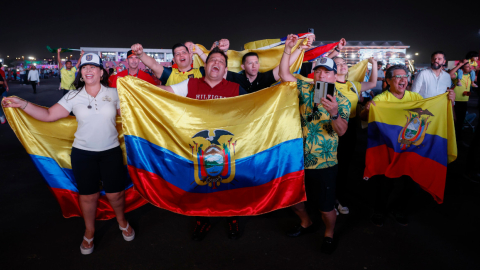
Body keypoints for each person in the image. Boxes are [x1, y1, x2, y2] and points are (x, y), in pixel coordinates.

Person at [2, 53, 135, 255]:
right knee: (88, 196)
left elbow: (134, 115)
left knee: (115, 193)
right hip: (83, 154)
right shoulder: (73, 96)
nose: (88, 70)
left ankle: (122, 221)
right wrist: (24, 104)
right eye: (84, 67)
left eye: (93, 67)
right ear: (80, 73)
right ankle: (89, 231)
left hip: (111, 152)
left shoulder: (115, 93)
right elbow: (48, 115)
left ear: (101, 72)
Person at [156, 47, 247, 240]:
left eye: (221, 62)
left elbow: (255, 108)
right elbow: (166, 92)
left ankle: (232, 216)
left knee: (229, 184)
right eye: (212, 60)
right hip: (196, 148)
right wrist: (139, 88)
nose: (216, 63)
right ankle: (202, 219)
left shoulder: (235, 89)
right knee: (199, 185)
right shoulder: (191, 84)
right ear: (204, 66)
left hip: (226, 149)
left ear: (225, 70)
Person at [279, 34, 351, 254]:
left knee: (326, 206)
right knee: (293, 200)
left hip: (324, 162)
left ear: (333, 74)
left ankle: (328, 233)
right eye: (318, 70)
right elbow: (284, 74)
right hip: (297, 158)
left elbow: (342, 131)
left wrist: (334, 113)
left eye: (326, 71)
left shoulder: (342, 100)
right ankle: (305, 222)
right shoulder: (305, 87)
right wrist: (288, 50)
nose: (321, 74)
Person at [360, 65, 455, 227]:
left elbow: (432, 113)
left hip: (410, 149)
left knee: (410, 183)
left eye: (405, 76)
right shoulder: (381, 99)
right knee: (385, 183)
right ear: (388, 80)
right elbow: (364, 118)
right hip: (389, 149)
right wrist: (366, 110)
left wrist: (448, 102)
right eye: (398, 77)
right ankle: (379, 210)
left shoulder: (415, 97)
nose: (403, 80)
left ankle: (400, 209)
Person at [333, 56, 378, 215]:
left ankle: (338, 198)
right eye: (337, 64)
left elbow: (372, 84)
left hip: (351, 127)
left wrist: (374, 64)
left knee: (345, 164)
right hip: (333, 127)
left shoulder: (352, 84)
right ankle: (330, 201)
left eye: (344, 63)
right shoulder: (327, 85)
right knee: (332, 165)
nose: (342, 66)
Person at [193, 36, 315, 93]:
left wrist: (299, 48)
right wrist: (221, 51)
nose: (254, 65)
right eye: (250, 63)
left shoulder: (264, 78)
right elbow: (214, 66)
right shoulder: (235, 78)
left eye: (256, 62)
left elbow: (284, 66)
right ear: (243, 67)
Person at [131, 42, 204, 86]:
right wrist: (141, 55)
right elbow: (154, 65)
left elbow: (214, 65)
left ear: (190, 55)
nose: (181, 55)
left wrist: (200, 52)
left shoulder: (201, 72)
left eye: (184, 52)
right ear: (174, 60)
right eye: (177, 54)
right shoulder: (169, 74)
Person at [449, 60, 472, 145]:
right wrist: (459, 65)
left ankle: (458, 140)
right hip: (455, 102)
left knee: (460, 122)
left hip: (464, 101)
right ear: (462, 68)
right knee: (454, 122)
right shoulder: (458, 75)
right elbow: (450, 75)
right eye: (467, 67)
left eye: (470, 67)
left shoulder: (470, 75)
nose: (470, 68)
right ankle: (452, 141)